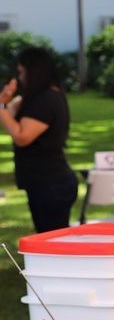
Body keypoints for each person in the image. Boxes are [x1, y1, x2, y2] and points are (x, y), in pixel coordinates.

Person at [0, 47, 78, 232]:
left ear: (32, 70)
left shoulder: (46, 100)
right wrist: (8, 103)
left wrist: (1, 105)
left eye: (21, 72)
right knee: (49, 237)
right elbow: (11, 119)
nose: (20, 77)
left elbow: (22, 137)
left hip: (50, 182)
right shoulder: (42, 97)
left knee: (52, 242)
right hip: (44, 180)